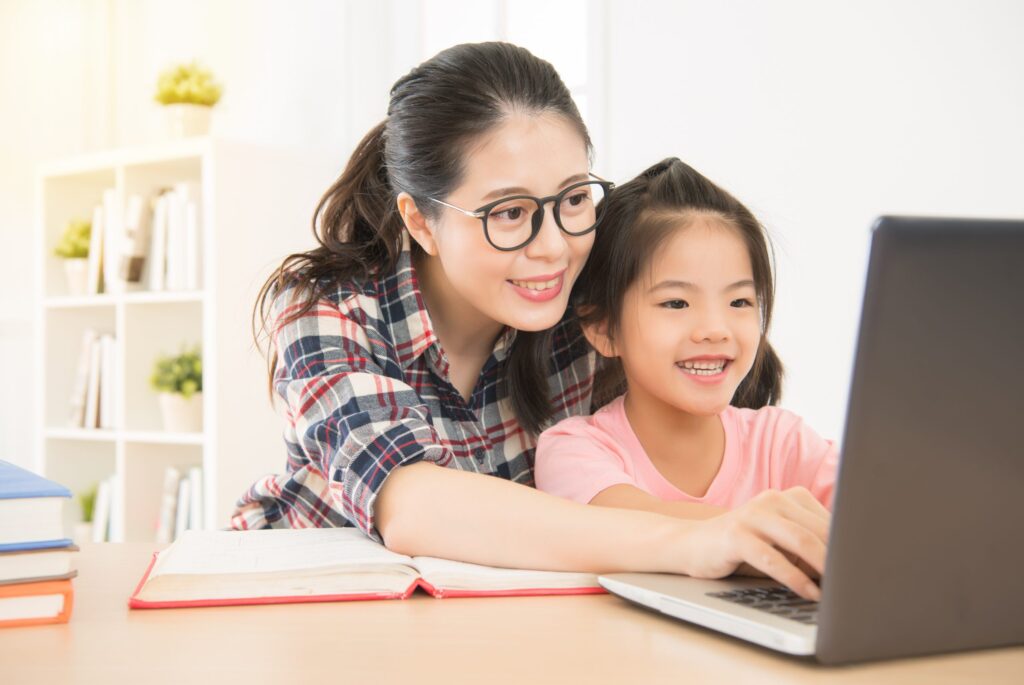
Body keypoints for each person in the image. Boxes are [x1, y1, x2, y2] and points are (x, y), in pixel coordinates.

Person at [232, 43, 828, 600]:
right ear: (419, 222)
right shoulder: (331, 310)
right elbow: (413, 503)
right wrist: (706, 538)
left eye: (573, 199)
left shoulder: (586, 304)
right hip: (303, 598)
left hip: (493, 618)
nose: (553, 248)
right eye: (510, 213)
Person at [535, 157, 836, 551]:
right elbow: (622, 521)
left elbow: (880, 515)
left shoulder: (783, 442)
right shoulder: (574, 449)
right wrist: (775, 530)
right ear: (604, 329)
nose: (715, 329)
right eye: (676, 303)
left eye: (740, 301)